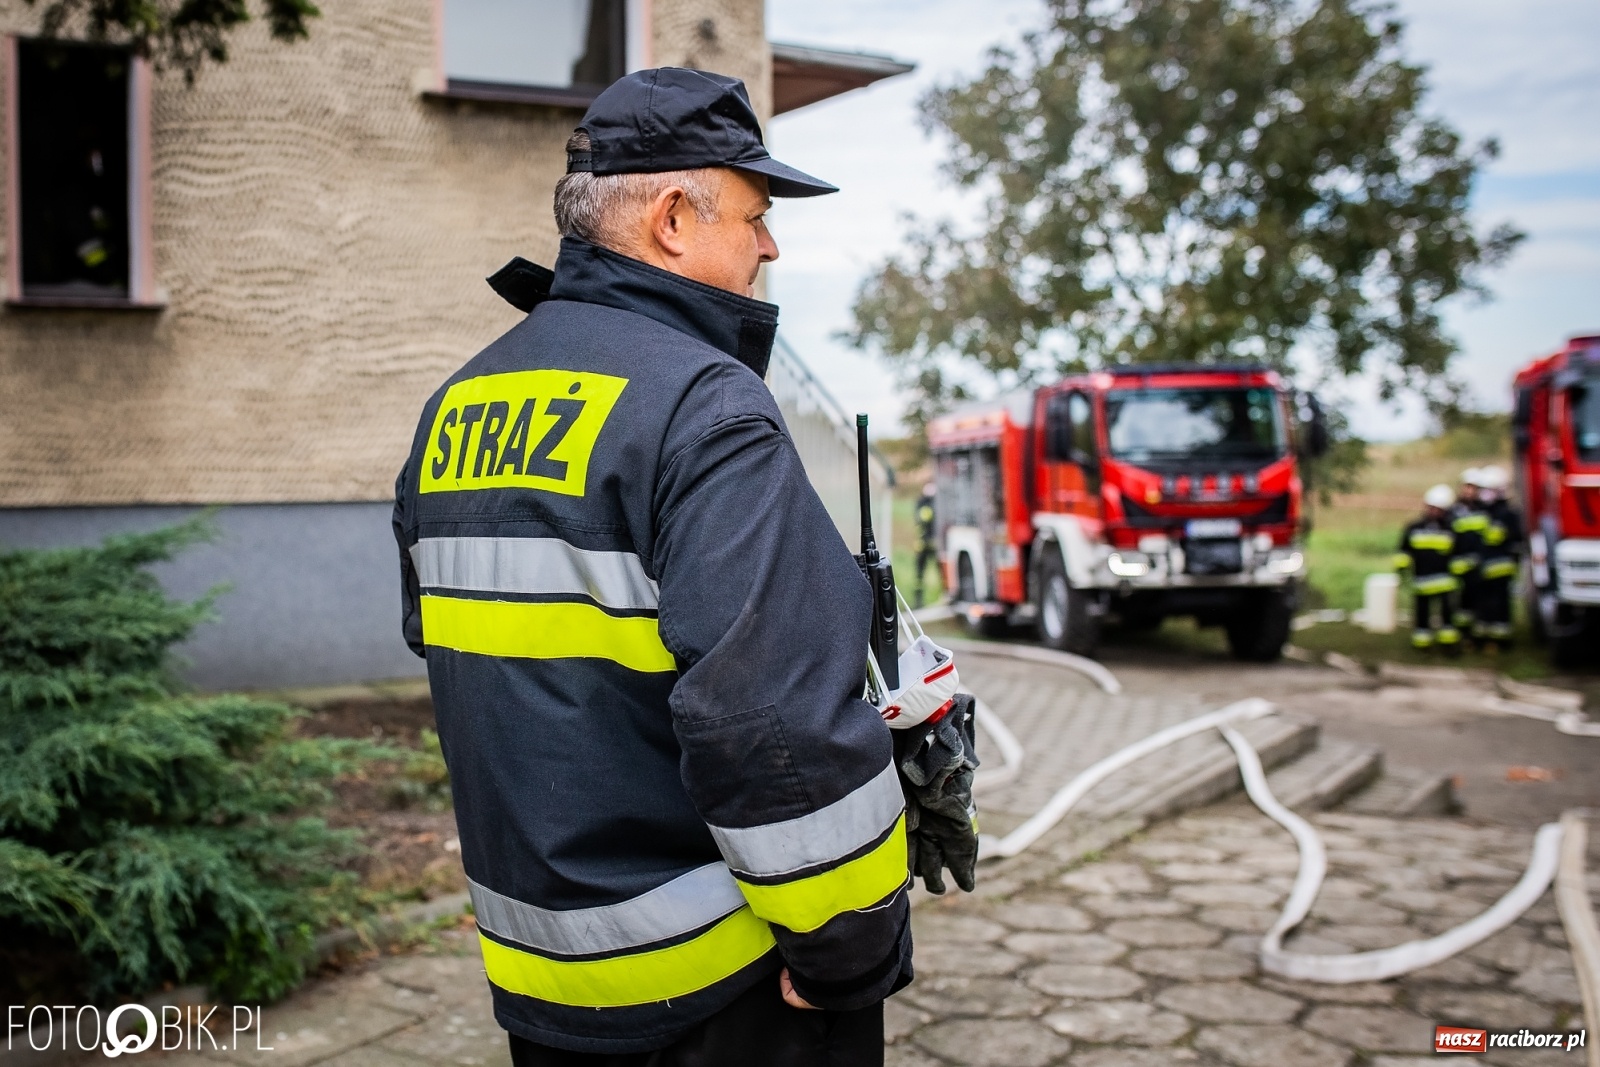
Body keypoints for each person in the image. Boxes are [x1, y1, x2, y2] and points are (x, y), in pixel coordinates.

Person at [393, 68, 925, 1066]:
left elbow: (468, 655)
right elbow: (770, 721)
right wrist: (851, 949)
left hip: (543, 989)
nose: (770, 246)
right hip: (722, 995)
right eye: (756, 217)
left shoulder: (457, 404)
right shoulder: (703, 405)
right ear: (673, 219)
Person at [1397, 484, 1462, 653]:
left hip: (1445, 581)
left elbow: (1458, 553)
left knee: (1447, 615)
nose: (1433, 511)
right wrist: (1401, 567)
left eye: (1437, 509)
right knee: (1422, 614)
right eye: (1431, 507)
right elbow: (1404, 550)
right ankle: (1422, 644)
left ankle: (1448, 644)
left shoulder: (1451, 529)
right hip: (1422, 580)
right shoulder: (1414, 527)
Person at [1474, 464, 1523, 648]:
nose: (1484, 494)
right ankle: (1483, 637)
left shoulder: (1507, 514)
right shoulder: (1482, 511)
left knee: (1500, 603)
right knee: (1483, 603)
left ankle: (1501, 639)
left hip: (1501, 567)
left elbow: (1515, 542)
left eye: (1488, 490)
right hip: (1483, 566)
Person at [912, 483, 938, 608]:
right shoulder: (923, 503)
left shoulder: (933, 502)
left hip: (932, 544)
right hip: (923, 545)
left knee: (940, 570)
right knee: (919, 575)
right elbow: (923, 518)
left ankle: (946, 596)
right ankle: (918, 601)